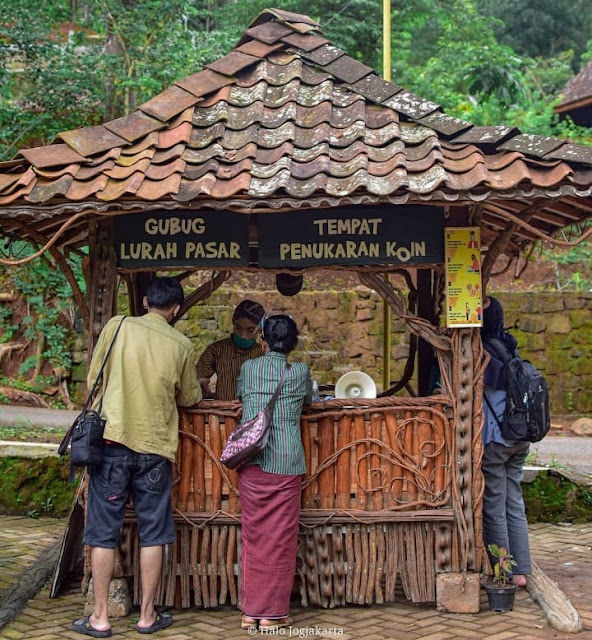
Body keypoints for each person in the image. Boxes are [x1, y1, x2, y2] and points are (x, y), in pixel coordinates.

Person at [72, 277, 201, 638]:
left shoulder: (118, 326)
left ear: (145, 301)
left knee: (102, 533)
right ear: (175, 309)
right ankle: (147, 616)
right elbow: (189, 397)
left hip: (111, 443)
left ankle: (100, 617)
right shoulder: (182, 344)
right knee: (153, 533)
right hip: (154, 451)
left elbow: (93, 378)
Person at [236, 315, 312, 631]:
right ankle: (273, 615)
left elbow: (242, 399)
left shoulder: (249, 369)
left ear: (262, 339)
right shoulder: (300, 372)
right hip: (286, 460)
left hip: (252, 460)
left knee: (253, 536)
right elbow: (309, 402)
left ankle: (250, 612)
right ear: (293, 342)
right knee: (281, 538)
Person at [481, 295, 531, 588]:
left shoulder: (483, 352)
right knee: (515, 502)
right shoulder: (509, 346)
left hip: (496, 440)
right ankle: (522, 570)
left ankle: (504, 571)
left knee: (494, 505)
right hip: (520, 438)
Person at [196, 299, 265, 401]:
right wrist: (201, 384)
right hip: (222, 412)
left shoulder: (263, 355)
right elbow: (196, 377)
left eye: (250, 330)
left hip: (252, 414)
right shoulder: (217, 350)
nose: (243, 336)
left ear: (259, 329)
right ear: (233, 323)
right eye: (238, 328)